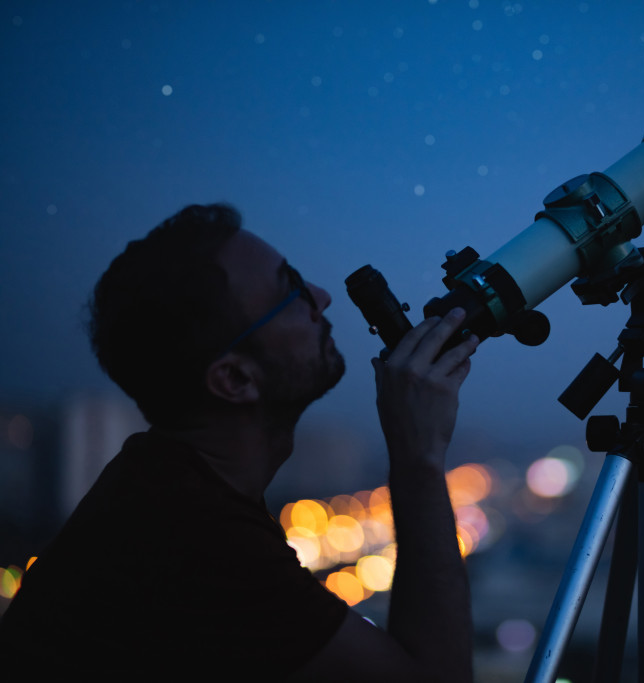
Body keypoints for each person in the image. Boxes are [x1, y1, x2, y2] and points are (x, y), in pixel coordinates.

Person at [0, 203, 479, 681]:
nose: (323, 296)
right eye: (290, 289)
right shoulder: (194, 540)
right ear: (233, 379)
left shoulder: (162, 489)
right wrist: (418, 456)